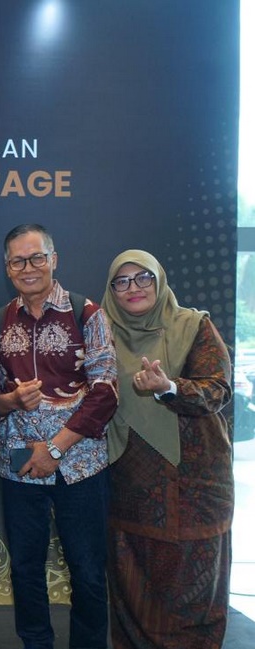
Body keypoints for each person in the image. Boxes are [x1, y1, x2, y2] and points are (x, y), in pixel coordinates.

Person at [0, 223, 117, 649]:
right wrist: (9, 400)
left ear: (53, 260)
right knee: (25, 569)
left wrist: (56, 449)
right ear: (8, 268)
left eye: (37, 258)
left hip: (80, 464)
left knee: (87, 570)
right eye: (18, 261)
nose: (28, 268)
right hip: (20, 465)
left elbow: (106, 392)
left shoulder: (86, 313)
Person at [100, 250, 233, 649]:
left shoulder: (194, 326)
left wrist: (169, 387)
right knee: (131, 584)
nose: (134, 288)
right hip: (130, 487)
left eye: (143, 278)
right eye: (122, 281)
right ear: (111, 289)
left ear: (159, 280)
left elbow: (217, 389)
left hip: (195, 486)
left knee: (192, 590)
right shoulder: (100, 332)